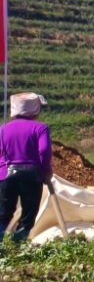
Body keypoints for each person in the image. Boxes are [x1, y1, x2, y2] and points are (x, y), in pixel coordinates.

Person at [1, 94, 52, 244]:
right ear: (34, 110)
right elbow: (43, 150)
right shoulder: (40, 128)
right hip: (31, 176)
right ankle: (18, 244)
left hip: (6, 176)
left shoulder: (2, 130)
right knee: (28, 215)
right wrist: (46, 171)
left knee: (3, 214)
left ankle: (2, 246)